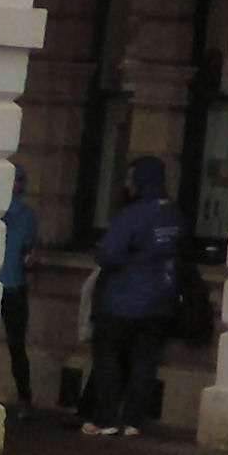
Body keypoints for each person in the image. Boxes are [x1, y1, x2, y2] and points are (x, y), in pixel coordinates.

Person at [81, 154, 183, 437]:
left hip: (123, 298)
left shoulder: (133, 213)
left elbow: (108, 253)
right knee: (145, 361)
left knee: (109, 359)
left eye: (130, 178)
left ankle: (107, 417)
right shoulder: (172, 213)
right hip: (160, 298)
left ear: (140, 180)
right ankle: (134, 419)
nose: (126, 184)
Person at [0, 161, 37, 415]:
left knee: (17, 345)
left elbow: (30, 249)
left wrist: (30, 258)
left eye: (18, 180)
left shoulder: (26, 215)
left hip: (13, 285)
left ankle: (25, 398)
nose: (16, 185)